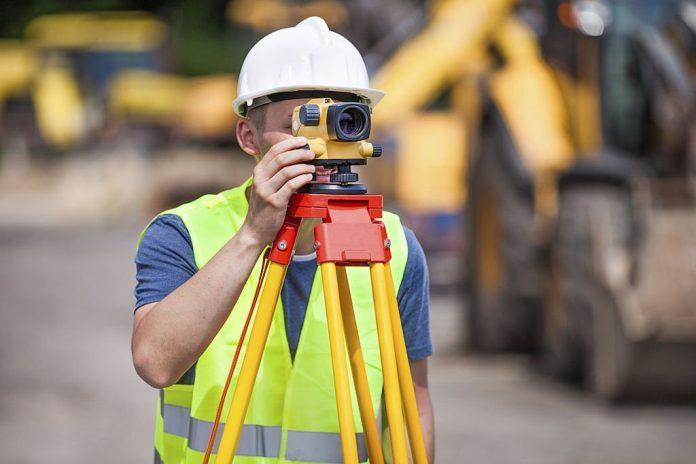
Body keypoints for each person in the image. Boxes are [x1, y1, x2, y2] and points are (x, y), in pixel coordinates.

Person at [131, 16, 434, 464]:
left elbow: (412, 404)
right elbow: (155, 362)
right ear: (248, 137)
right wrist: (254, 234)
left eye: (343, 116)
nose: (323, 140)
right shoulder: (184, 232)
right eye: (304, 119)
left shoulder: (394, 245)